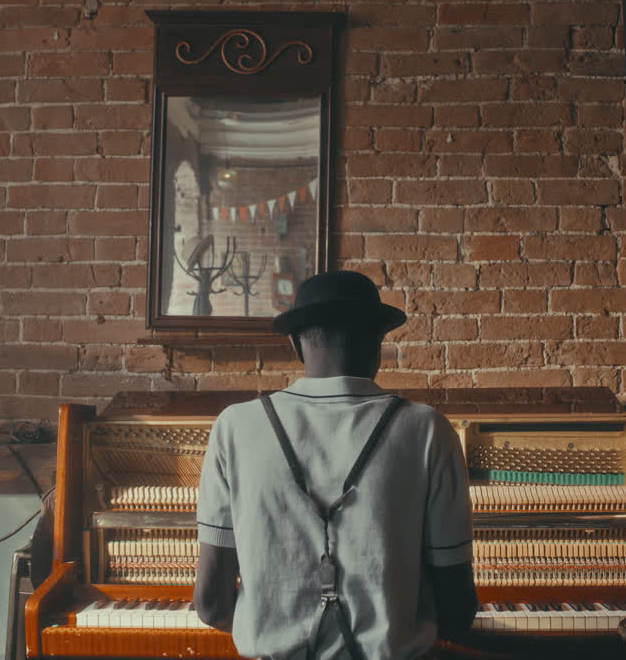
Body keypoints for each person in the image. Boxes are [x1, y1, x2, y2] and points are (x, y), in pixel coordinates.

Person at [194, 270, 478, 660]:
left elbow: (210, 605)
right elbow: (457, 611)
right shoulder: (427, 428)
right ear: (379, 340)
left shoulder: (234, 426)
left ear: (296, 343)